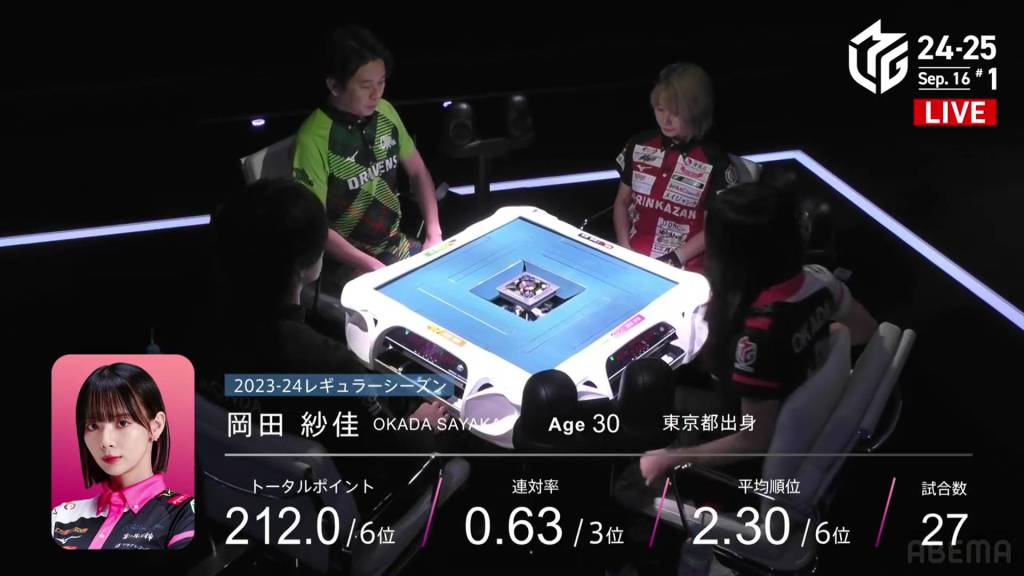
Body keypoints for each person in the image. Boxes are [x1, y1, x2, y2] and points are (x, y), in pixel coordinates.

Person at [638, 182, 878, 485]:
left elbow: (754, 438)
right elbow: (865, 331)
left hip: (741, 434)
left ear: (731, 252)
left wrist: (671, 458)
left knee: (641, 402)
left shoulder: (757, 340)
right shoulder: (821, 281)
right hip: (776, 400)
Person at [292, 26, 442, 295]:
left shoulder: (386, 112)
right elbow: (316, 226)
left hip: (395, 245)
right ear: (334, 85)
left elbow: (418, 172)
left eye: (381, 82)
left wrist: (434, 234)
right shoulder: (313, 139)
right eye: (365, 86)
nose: (376, 94)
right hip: (344, 266)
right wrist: (371, 265)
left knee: (445, 282)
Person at [51, 363, 194, 550]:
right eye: (93, 426)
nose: (105, 441)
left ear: (156, 426)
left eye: (123, 423)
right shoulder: (61, 517)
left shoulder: (184, 513)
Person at [613, 62, 738, 273]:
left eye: (676, 113)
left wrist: (674, 258)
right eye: (660, 109)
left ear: (696, 111)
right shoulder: (639, 144)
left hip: (687, 264)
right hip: (634, 255)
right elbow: (622, 202)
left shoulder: (713, 159)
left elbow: (715, 227)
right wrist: (624, 249)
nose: (666, 120)